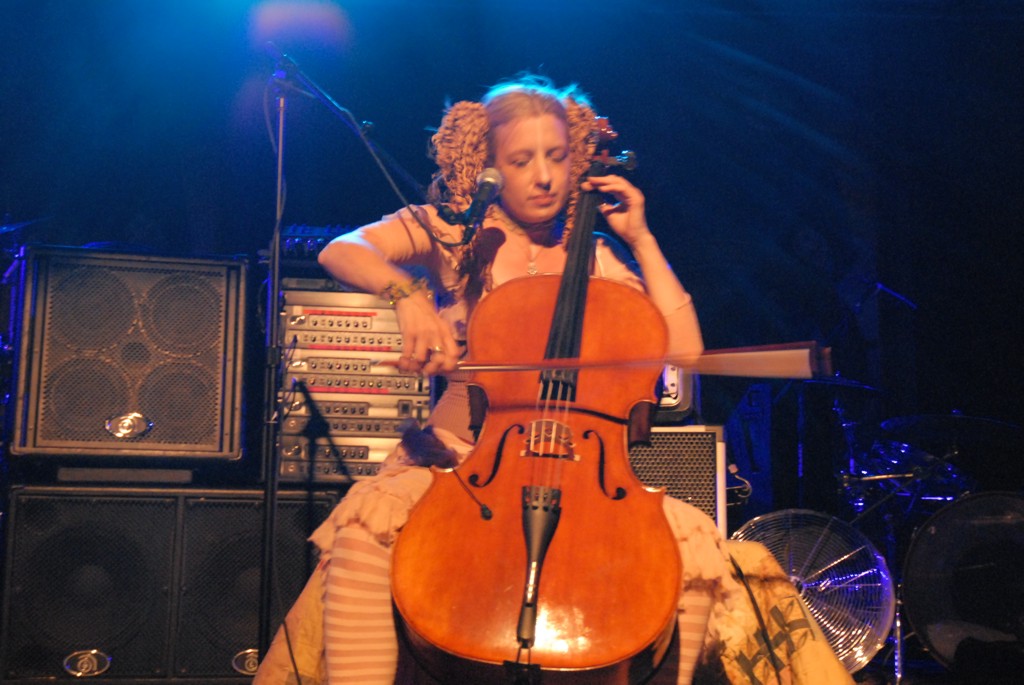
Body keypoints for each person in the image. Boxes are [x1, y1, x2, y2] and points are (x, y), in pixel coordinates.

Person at [255, 75, 851, 685]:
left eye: (557, 157)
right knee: (365, 530)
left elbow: (684, 350)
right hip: (458, 460)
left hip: (580, 473)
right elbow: (342, 250)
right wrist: (406, 295)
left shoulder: (596, 255)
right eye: (522, 161)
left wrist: (641, 239)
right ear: (488, 167)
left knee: (693, 549)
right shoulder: (454, 233)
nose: (543, 176)